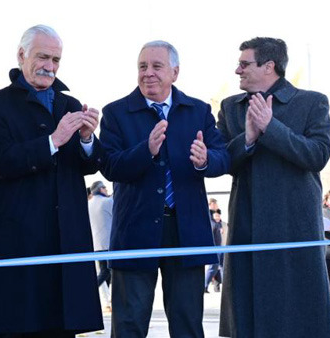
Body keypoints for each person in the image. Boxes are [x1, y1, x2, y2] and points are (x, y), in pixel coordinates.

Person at [0, 24, 104, 338]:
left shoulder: (70, 104)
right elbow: (3, 161)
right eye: (43, 57)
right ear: (21, 55)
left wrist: (87, 138)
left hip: (66, 237)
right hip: (18, 238)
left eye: (56, 59)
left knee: (62, 325)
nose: (50, 66)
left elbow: (88, 165)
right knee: (17, 324)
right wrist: (54, 140)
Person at [99, 40, 229, 338]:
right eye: (142, 66)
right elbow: (109, 165)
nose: (148, 73)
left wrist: (205, 160)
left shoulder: (198, 110)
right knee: (129, 325)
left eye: (157, 66)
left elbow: (223, 157)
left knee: (187, 326)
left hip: (187, 232)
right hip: (135, 232)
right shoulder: (116, 113)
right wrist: (146, 150)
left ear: (175, 72)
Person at [217, 37, 330, 338]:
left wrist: (271, 128)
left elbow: (318, 155)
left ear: (269, 66)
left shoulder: (312, 102)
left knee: (298, 321)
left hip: (293, 229)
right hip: (246, 228)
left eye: (244, 64)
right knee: (248, 320)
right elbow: (223, 161)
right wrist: (248, 139)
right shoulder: (231, 108)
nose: (237, 70)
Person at [88, 180, 113, 312]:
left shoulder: (89, 203)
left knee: (105, 273)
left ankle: (107, 302)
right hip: (108, 243)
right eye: (104, 187)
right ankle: (88, 294)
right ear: (100, 189)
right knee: (106, 273)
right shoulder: (107, 202)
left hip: (96, 244)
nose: (106, 190)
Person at [204, 209, 224, 293]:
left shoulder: (220, 224)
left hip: (221, 248)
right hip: (215, 249)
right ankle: (204, 285)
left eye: (218, 215)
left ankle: (218, 286)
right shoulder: (213, 224)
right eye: (216, 215)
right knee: (213, 268)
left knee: (221, 268)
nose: (217, 217)